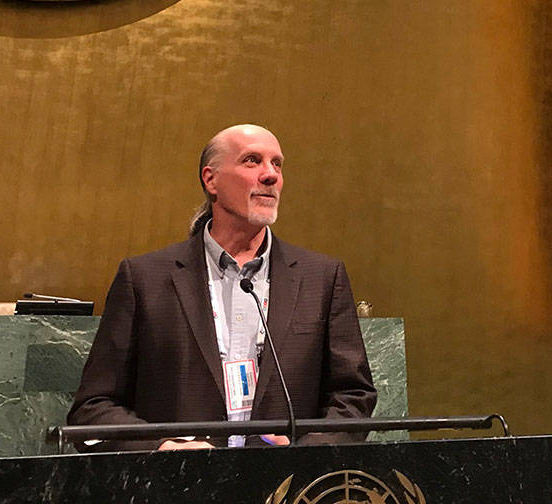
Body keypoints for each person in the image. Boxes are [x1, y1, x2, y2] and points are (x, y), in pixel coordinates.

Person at [67, 124, 376, 451]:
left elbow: (353, 396)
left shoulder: (322, 278)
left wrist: (305, 452)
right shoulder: (144, 279)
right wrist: (162, 448)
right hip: (180, 478)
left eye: (277, 164)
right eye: (252, 161)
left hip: (286, 480)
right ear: (210, 179)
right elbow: (93, 409)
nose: (270, 175)